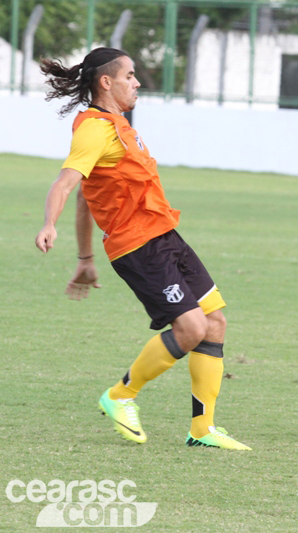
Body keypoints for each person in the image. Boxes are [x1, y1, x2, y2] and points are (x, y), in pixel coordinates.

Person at [35, 47, 249, 450]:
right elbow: (66, 183)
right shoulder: (94, 129)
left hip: (165, 236)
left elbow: (86, 199)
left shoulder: (118, 126)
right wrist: (49, 223)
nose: (136, 82)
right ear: (106, 82)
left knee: (214, 322)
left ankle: (203, 429)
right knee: (191, 328)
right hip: (138, 247)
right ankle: (121, 395)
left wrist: (85, 260)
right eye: (130, 75)